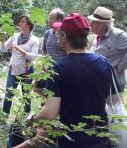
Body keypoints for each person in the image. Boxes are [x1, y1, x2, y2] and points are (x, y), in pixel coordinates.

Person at [14, 13, 120, 148]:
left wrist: (33, 119)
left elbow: (49, 112)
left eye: (59, 34)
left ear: (64, 38)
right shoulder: (104, 62)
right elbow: (115, 101)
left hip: (72, 141)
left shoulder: (59, 68)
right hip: (101, 139)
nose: (58, 37)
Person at [0, 14, 39, 117]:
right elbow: (3, 49)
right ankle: (4, 118)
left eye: (22, 21)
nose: (20, 23)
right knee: (8, 94)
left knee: (26, 96)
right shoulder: (15, 36)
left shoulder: (34, 40)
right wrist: (2, 39)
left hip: (27, 71)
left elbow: (33, 57)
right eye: (20, 21)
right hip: (13, 70)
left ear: (29, 24)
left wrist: (18, 48)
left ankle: (26, 118)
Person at [88, 6, 127, 92]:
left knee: (115, 106)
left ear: (104, 25)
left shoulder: (118, 35)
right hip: (99, 82)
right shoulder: (97, 36)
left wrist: (120, 67)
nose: (90, 24)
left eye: (94, 22)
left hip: (114, 84)